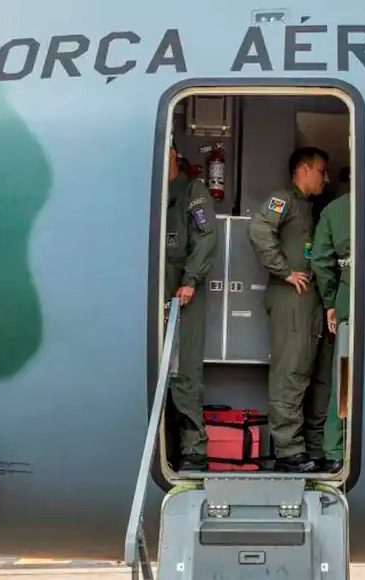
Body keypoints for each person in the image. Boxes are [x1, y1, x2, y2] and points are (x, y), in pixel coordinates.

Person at [248, 147, 332, 473]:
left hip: (309, 303)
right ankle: (288, 451)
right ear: (304, 169)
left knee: (311, 374)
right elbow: (259, 229)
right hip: (291, 300)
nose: (326, 178)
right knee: (290, 372)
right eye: (321, 171)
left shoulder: (309, 208)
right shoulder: (283, 200)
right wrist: (284, 271)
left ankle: (310, 447)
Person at [165, 145, 217, 471]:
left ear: (173, 154)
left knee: (184, 372)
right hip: (152, 291)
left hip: (183, 294)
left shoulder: (192, 191)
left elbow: (206, 237)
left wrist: (191, 280)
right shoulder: (149, 190)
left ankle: (194, 450)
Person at [311, 184, 351, 474]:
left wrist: (331, 302)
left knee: (345, 374)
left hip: (350, 294)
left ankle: (336, 451)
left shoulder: (335, 210)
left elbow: (321, 260)